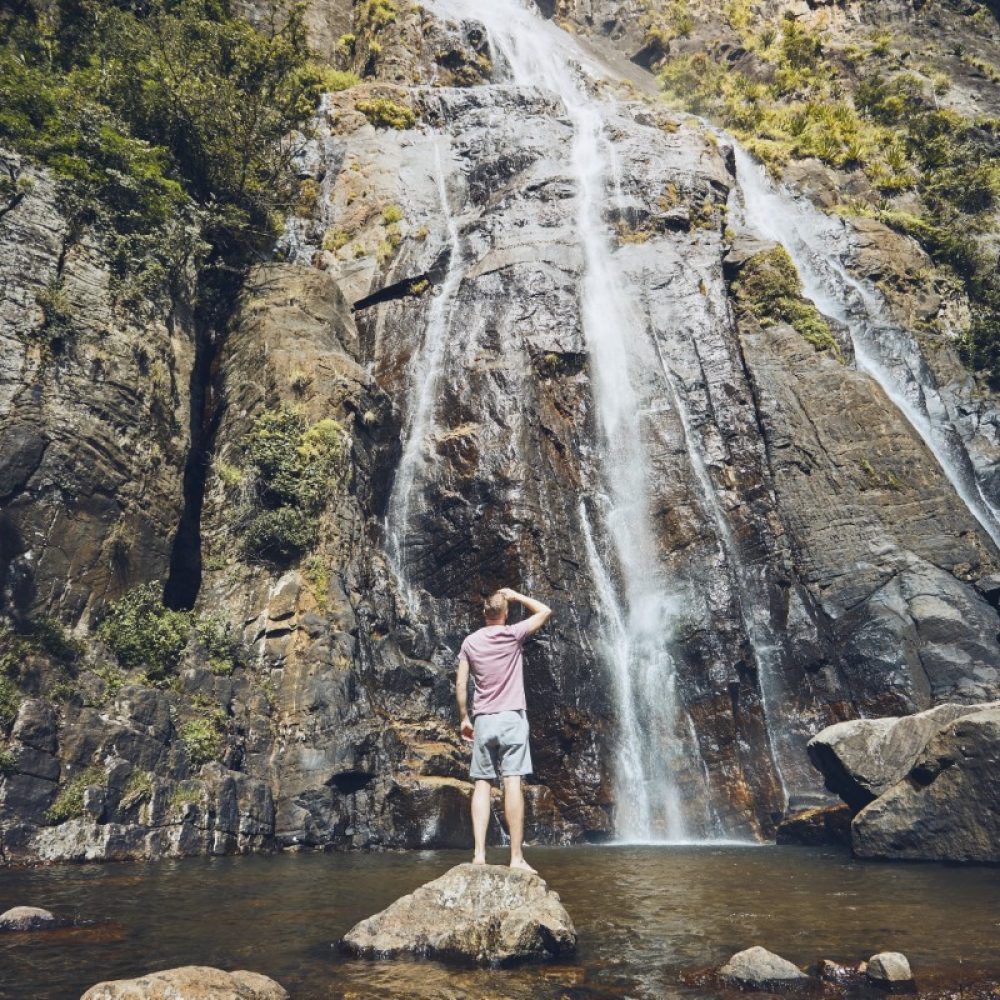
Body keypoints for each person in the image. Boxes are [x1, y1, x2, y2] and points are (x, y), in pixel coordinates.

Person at [455, 586, 552, 872]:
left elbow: (461, 684)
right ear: (506, 613)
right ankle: (516, 858)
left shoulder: (470, 642)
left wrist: (464, 717)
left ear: (484, 613)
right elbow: (545, 611)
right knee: (512, 783)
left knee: (482, 784)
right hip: (512, 718)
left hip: (484, 719)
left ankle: (479, 856)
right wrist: (517, 596)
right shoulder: (513, 633)